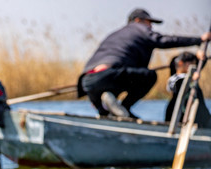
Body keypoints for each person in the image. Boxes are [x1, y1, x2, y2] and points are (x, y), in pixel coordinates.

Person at [77, 8, 210, 119]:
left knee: (107, 114)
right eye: (149, 22)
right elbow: (162, 40)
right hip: (108, 76)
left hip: (88, 81)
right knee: (149, 76)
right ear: (137, 20)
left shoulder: (115, 34)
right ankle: (124, 108)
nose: (151, 27)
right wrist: (199, 40)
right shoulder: (138, 29)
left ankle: (109, 108)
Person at [164, 51, 210, 128]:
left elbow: (200, 65)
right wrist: (191, 79)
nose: (195, 68)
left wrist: (201, 57)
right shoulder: (174, 79)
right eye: (192, 65)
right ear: (181, 63)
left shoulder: (190, 75)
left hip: (198, 115)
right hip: (179, 115)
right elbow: (176, 85)